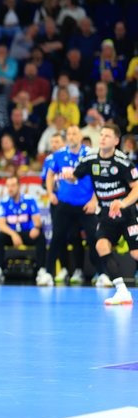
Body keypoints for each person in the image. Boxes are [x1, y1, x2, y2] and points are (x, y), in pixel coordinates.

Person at [63, 123, 138, 305]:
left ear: (116, 141)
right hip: (106, 214)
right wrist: (69, 175)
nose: (102, 138)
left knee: (136, 253)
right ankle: (122, 291)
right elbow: (76, 175)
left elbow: (136, 188)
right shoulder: (90, 158)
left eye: (107, 136)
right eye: (101, 135)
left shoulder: (123, 161)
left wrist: (123, 202)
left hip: (127, 213)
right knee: (101, 246)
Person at [43, 125, 103, 286]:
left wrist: (94, 201)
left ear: (80, 136)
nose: (71, 136)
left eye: (74, 133)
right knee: (57, 238)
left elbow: (99, 179)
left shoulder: (90, 154)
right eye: (68, 134)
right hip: (65, 204)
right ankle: (48, 273)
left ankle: (102, 273)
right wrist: (50, 193)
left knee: (93, 238)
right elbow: (50, 174)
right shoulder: (59, 155)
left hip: (86, 205)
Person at [0, 176, 48, 284]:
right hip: (12, 233)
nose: (10, 189)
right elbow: (1, 225)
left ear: (19, 187)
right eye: (8, 186)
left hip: (27, 233)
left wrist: (36, 227)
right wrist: (13, 235)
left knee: (40, 236)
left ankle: (41, 270)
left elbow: (37, 221)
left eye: (13, 185)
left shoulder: (29, 200)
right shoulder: (4, 202)